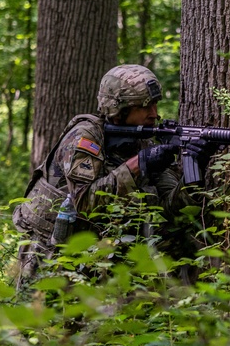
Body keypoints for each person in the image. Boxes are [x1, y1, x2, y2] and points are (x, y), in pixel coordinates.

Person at [12, 64, 207, 288]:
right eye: (145, 106)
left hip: (105, 254)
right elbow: (84, 202)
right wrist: (139, 165)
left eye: (155, 104)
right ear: (119, 108)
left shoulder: (141, 140)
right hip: (53, 252)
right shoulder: (85, 137)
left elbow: (169, 211)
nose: (154, 113)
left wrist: (194, 173)